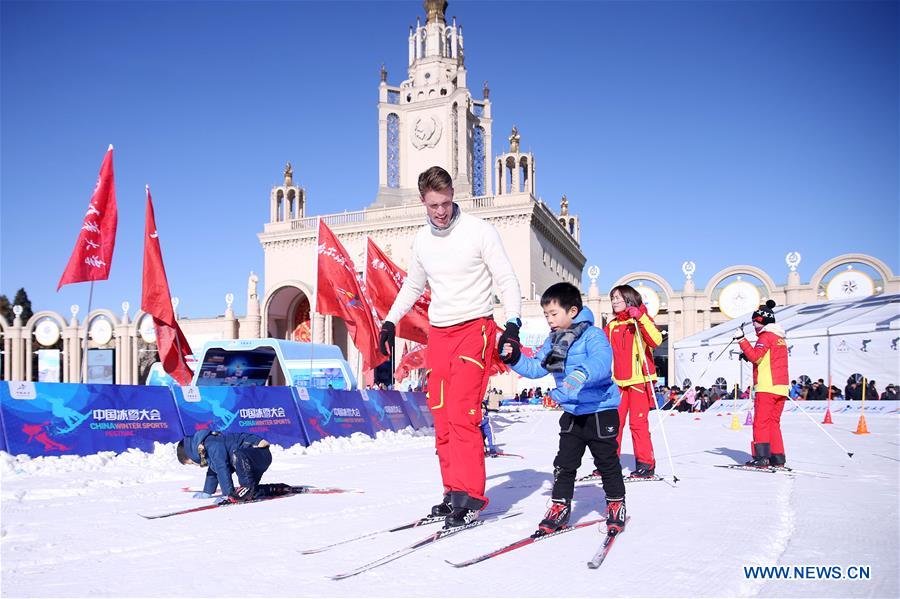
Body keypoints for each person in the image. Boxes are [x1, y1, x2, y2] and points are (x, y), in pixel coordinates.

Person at [378, 166, 522, 529]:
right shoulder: (423, 240)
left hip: (476, 327)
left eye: (444, 203)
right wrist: (391, 321)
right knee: (441, 414)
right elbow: (413, 285)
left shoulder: (479, 231)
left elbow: (506, 278)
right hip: (439, 334)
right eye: (432, 206)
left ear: (452, 196)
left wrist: (514, 324)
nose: (440, 212)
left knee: (462, 414)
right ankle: (452, 492)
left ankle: (471, 495)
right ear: (423, 203)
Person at [502, 282, 626, 536]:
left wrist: (582, 374)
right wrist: (513, 358)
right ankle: (560, 507)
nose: (549, 320)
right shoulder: (553, 341)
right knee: (564, 463)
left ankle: (615, 503)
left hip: (600, 410)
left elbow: (602, 361)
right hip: (572, 412)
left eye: (554, 314)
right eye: (546, 315)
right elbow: (537, 367)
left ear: (572, 311)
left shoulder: (593, 335)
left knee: (607, 462)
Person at [604, 284, 664, 478]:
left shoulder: (641, 320)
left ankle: (646, 464)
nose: (614, 302)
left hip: (639, 381)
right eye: (612, 298)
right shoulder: (612, 325)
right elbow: (600, 347)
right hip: (618, 384)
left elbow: (656, 341)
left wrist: (640, 317)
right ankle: (609, 463)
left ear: (629, 299)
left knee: (638, 425)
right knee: (613, 425)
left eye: (618, 298)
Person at [735, 300, 789, 468]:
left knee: (761, 422)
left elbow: (756, 357)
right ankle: (778, 457)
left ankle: (762, 458)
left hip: (766, 387)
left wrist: (741, 340)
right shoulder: (779, 337)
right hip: (781, 386)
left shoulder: (765, 336)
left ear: (761, 321)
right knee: (774, 422)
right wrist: (748, 354)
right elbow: (765, 359)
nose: (754, 326)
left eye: (755, 322)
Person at [176, 430, 295, 503]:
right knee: (248, 493)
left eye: (192, 462)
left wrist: (228, 494)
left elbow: (222, 469)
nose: (196, 465)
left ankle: (246, 490)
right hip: (249, 461)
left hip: (258, 454)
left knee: (238, 457)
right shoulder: (207, 448)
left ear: (191, 453)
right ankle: (271, 489)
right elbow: (213, 471)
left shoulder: (211, 445)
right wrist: (207, 492)